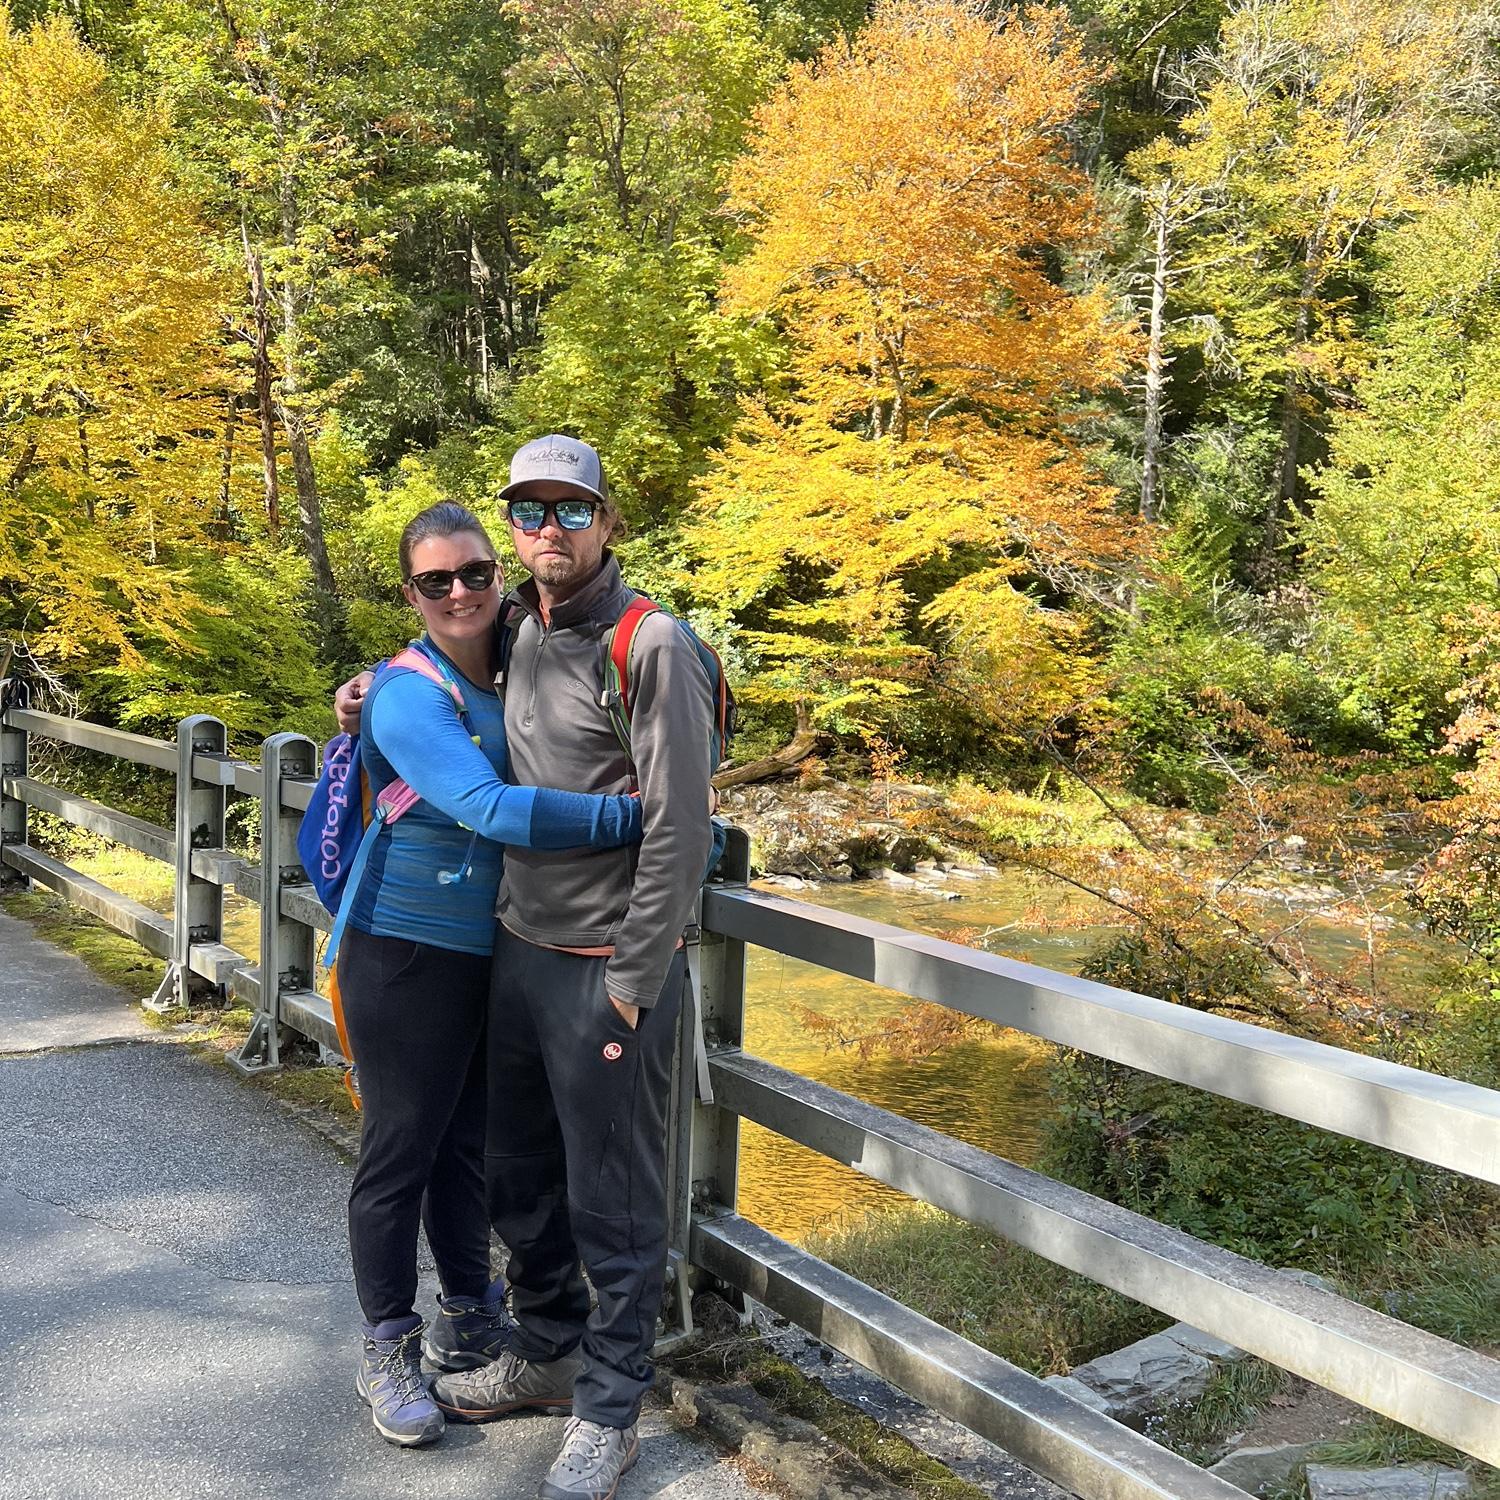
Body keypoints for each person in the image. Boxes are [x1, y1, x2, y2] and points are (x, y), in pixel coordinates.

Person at [336, 436, 715, 1500]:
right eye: (531, 512)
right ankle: (547, 1352)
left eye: (571, 509)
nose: (550, 529)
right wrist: (363, 692)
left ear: (609, 520)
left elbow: (681, 828)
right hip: (518, 956)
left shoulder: (655, 645)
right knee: (519, 1181)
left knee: (616, 1200)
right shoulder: (519, 631)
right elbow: (431, 658)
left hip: (608, 964)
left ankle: (610, 1405)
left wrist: (638, 976)